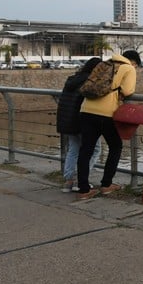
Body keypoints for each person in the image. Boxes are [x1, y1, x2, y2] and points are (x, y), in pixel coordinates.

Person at [75, 50, 141, 200]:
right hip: (106, 113)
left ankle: (83, 190)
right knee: (115, 146)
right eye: (136, 65)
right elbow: (128, 90)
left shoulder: (104, 64)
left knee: (86, 150)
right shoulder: (128, 68)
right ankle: (106, 185)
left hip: (86, 110)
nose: (135, 68)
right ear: (133, 61)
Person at [55, 57, 102, 192]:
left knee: (74, 149)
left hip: (68, 119)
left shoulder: (73, 79)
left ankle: (69, 181)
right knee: (95, 149)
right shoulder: (90, 82)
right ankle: (79, 179)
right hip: (83, 119)